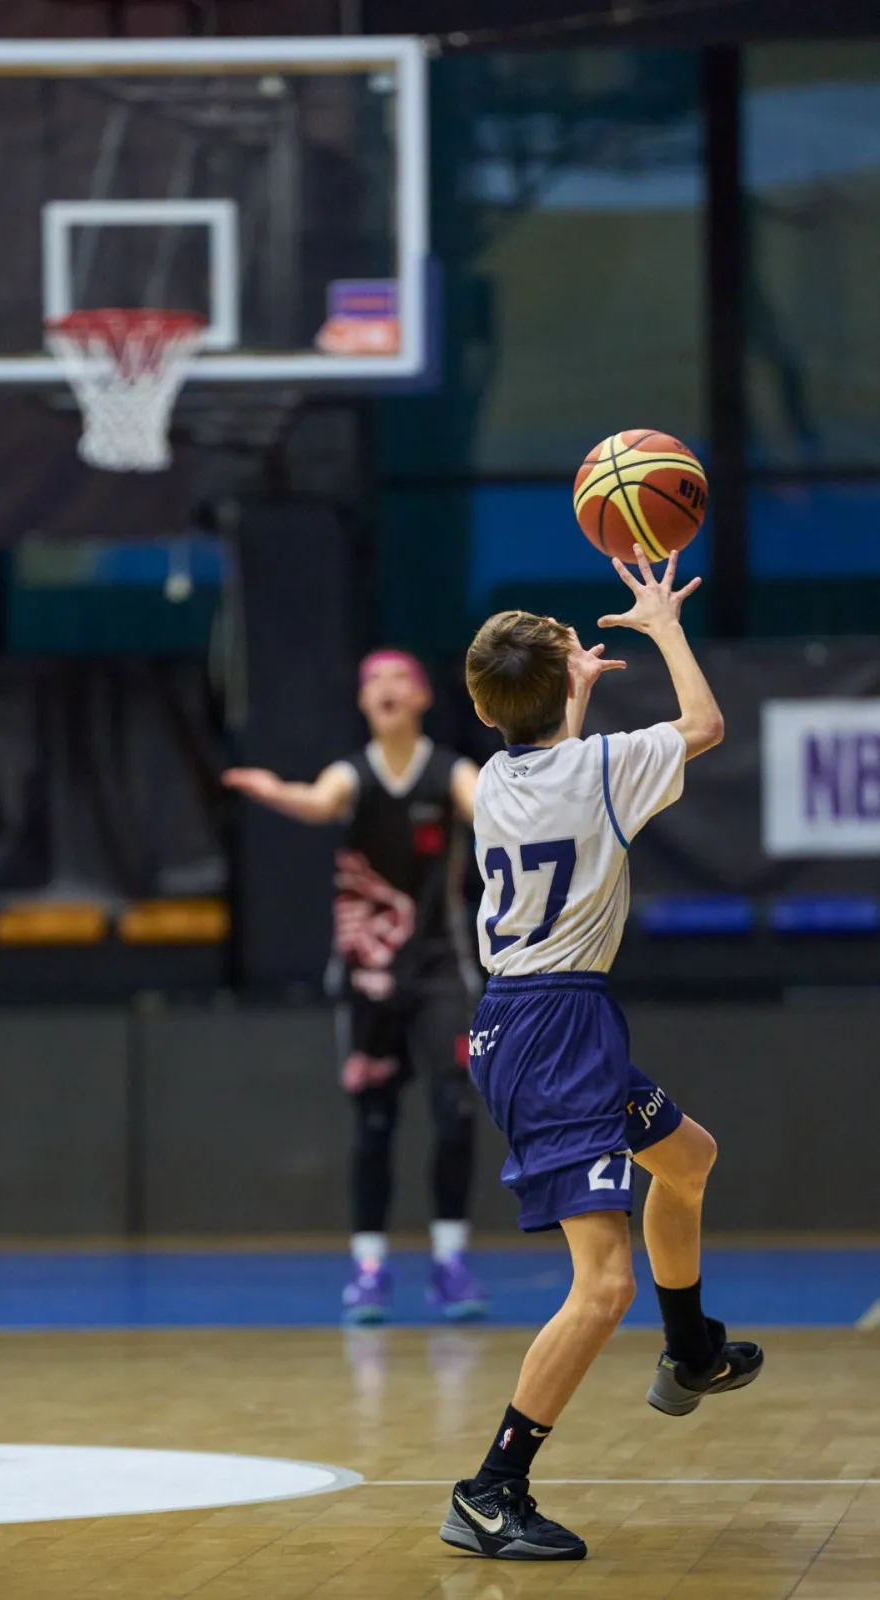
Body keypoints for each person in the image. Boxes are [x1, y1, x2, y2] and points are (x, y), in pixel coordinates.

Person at [440, 547, 763, 1563]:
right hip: (556, 1035)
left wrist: (567, 689)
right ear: (556, 692)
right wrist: (661, 624)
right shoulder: (594, 769)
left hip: (530, 1022)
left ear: (484, 708)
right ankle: (489, 1489)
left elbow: (558, 762)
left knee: (687, 1157)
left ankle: (691, 1351)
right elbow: (703, 725)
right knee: (602, 1286)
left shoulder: (495, 779)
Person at [224, 649, 488, 1323]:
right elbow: (319, 801)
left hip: (440, 970)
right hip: (368, 974)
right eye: (373, 680)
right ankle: (368, 1269)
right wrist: (275, 791)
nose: (385, 687)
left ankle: (450, 1262)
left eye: (399, 677)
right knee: (374, 1122)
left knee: (455, 1111)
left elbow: (489, 804)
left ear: (423, 696)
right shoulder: (352, 772)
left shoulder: (450, 771)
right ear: (364, 702)